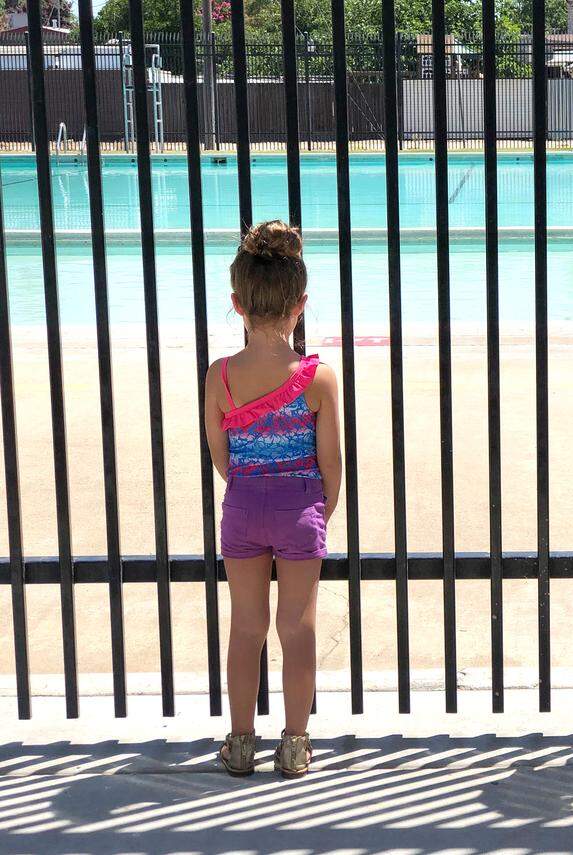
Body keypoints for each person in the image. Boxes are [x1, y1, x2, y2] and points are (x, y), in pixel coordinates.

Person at [204, 220, 342, 779]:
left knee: (245, 628)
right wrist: (315, 511)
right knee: (297, 628)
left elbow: (221, 453)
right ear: (301, 304)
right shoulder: (318, 377)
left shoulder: (220, 376)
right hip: (299, 507)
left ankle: (240, 742)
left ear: (237, 303)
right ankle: (294, 742)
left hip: (242, 506)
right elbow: (333, 464)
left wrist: (248, 489)